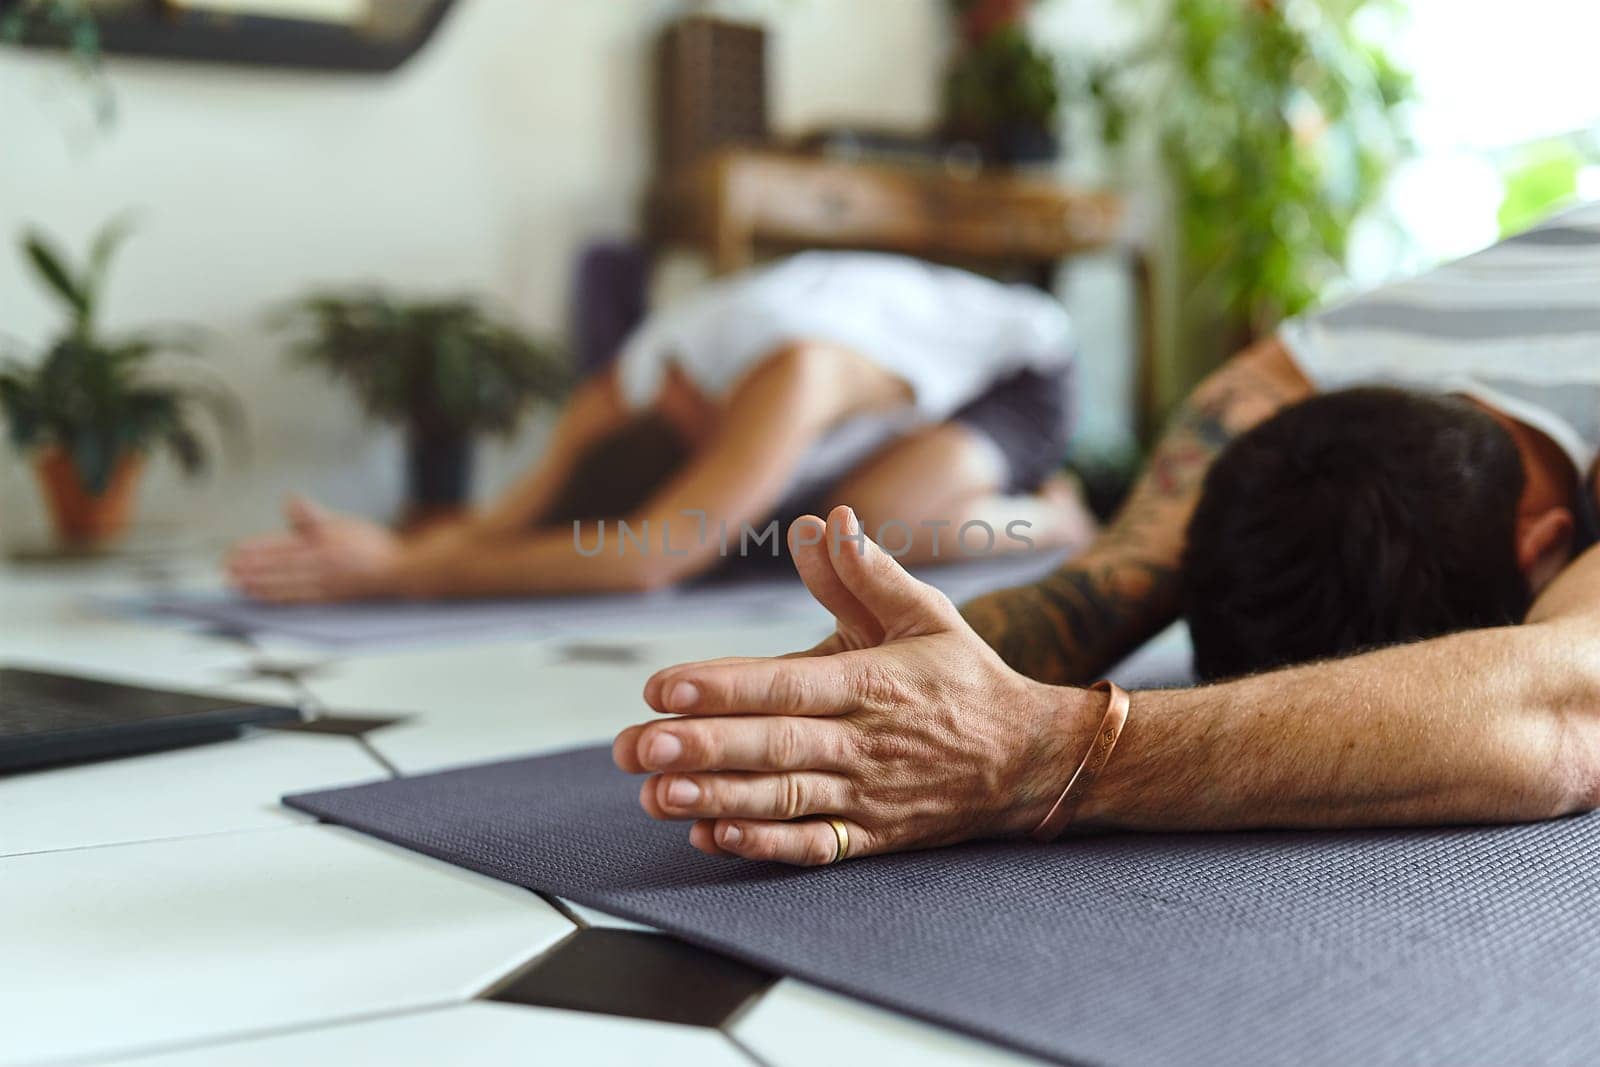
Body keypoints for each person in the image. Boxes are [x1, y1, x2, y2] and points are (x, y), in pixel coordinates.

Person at [613, 202, 1600, 866]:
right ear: (1543, 542)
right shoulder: (1273, 386)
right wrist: (858, 697)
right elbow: (1113, 579)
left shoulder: (1309, 369)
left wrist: (1041, 750)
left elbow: (1561, 707)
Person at [227, 252, 1095, 602]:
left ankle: (1053, 515)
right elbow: (510, 518)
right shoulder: (620, 392)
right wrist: (384, 544)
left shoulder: (794, 372)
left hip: (1017, 375)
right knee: (782, 530)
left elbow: (651, 556)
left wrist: (403, 580)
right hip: (883, 383)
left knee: (863, 533)